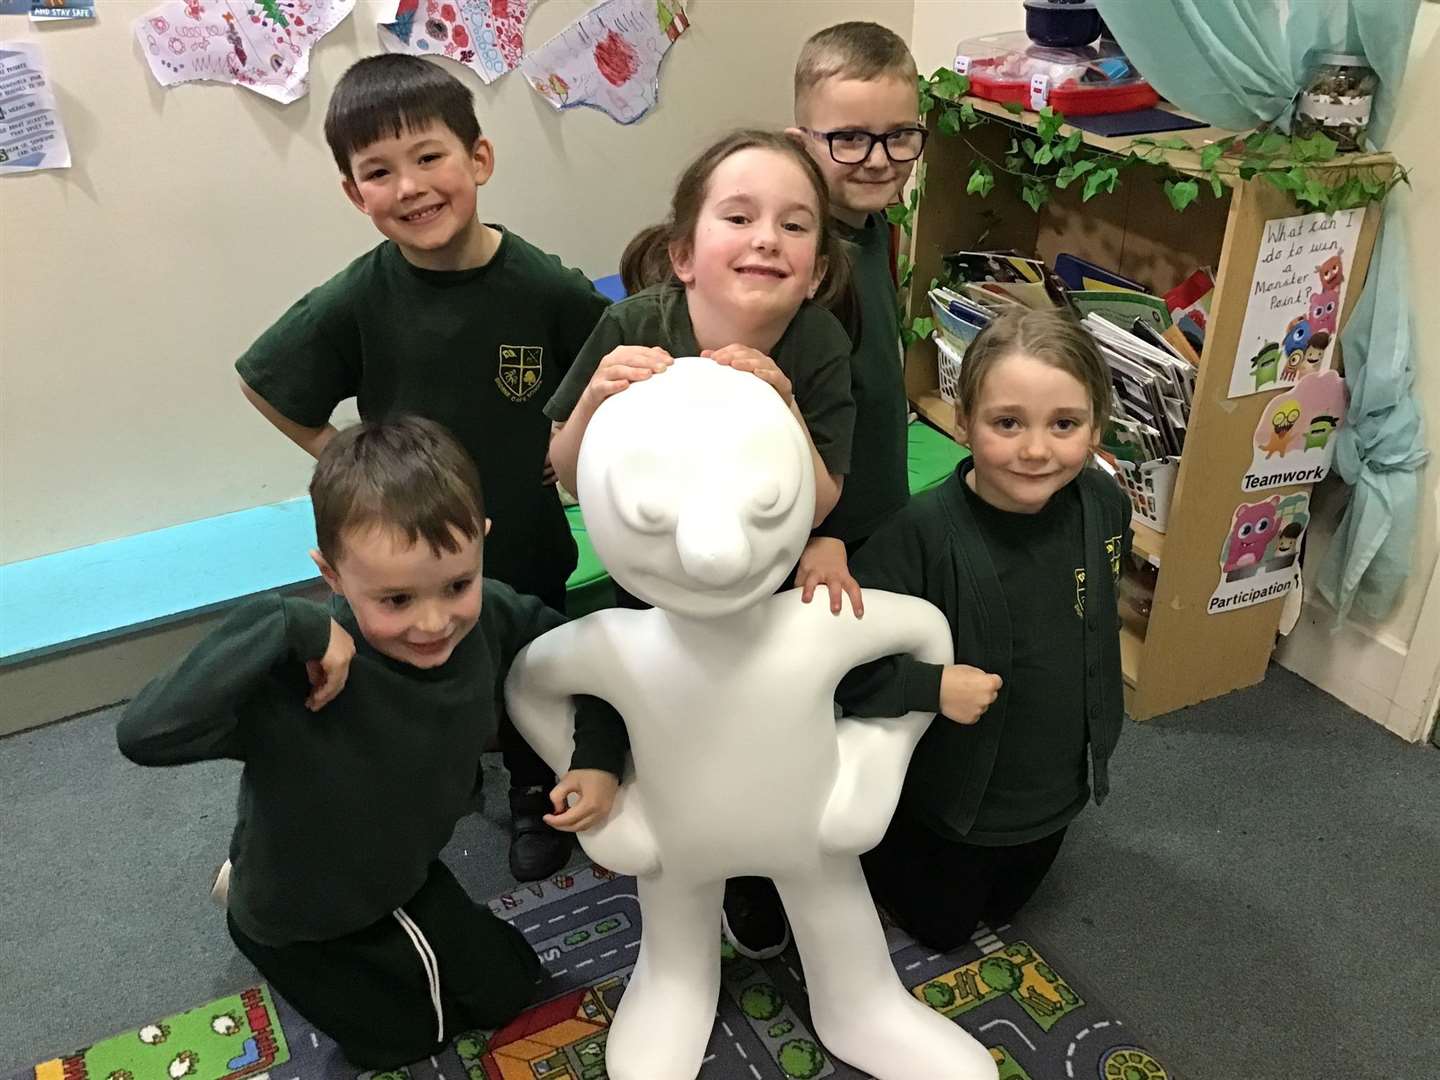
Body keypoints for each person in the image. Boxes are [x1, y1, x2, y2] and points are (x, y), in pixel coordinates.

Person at [117, 417, 627, 1067]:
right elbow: (144, 734)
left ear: (482, 544)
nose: (434, 621)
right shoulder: (301, 675)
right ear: (331, 576)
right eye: (394, 599)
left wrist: (597, 758)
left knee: (512, 986)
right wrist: (280, 622)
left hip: (407, 872)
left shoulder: (492, 613)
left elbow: (592, 664)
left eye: (456, 584)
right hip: (298, 916)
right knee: (404, 1043)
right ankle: (240, 878)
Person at [234, 54, 609, 879]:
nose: (409, 187)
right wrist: (343, 462)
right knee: (401, 676)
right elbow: (265, 380)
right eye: (378, 171)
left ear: (478, 159)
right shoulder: (357, 297)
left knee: (528, 672)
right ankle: (428, 781)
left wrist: (569, 440)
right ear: (353, 194)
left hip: (521, 541)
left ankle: (530, 792)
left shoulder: (543, 284)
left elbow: (605, 364)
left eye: (429, 157)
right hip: (401, 559)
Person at [838, 308, 1132, 950]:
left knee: (1007, 906)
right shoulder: (915, 537)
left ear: (1096, 427)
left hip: (1056, 784)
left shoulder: (1105, 503)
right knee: (940, 928)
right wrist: (927, 686)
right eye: (1007, 423)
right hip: (952, 800)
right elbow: (837, 669)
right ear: (963, 421)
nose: (1035, 449)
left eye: (1064, 424)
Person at [543, 128, 857, 541]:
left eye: (794, 226)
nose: (766, 239)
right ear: (684, 256)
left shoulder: (821, 342)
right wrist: (591, 400)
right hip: (651, 576)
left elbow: (817, 508)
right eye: (739, 218)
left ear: (816, 273)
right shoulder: (631, 327)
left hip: (765, 574)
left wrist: (785, 405)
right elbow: (571, 476)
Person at [789, 20, 927, 616]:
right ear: (799, 144)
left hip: (876, 509)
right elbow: (784, 416)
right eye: (848, 139)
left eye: (900, 136)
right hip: (820, 537)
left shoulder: (875, 228)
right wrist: (818, 534)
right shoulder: (798, 262)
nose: (878, 161)